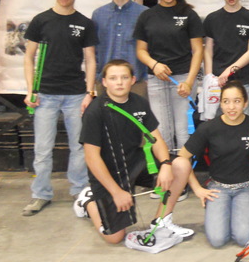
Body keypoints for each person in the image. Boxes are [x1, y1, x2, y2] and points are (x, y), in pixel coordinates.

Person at [77, 60, 193, 243]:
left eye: (124, 77)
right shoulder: (95, 111)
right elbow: (91, 158)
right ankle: (87, 201)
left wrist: (165, 164)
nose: (119, 82)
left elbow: (156, 139)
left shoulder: (139, 102)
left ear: (132, 80)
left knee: (181, 164)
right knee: (115, 237)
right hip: (109, 172)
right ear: (104, 82)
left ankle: (162, 220)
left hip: (135, 162)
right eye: (113, 78)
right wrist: (116, 192)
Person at [22, 0, 98, 217]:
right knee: (43, 148)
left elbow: (90, 59)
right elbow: (28, 57)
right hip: (45, 95)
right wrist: (30, 90)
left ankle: (79, 191)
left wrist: (89, 92)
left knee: (79, 146)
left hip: (76, 94)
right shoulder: (41, 20)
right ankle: (40, 194)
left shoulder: (85, 23)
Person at [178, 80, 249, 248]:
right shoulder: (209, 128)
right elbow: (182, 158)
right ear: (220, 103)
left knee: (243, 237)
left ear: (245, 103)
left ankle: (239, 214)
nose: (231, 107)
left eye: (237, 101)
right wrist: (197, 189)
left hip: (246, 188)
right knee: (217, 240)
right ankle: (222, 210)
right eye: (226, 101)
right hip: (218, 189)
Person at [133, 0, 204, 154]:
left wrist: (189, 82)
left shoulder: (189, 14)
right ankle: (167, 174)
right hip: (156, 80)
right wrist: (154, 64)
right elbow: (140, 51)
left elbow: (198, 51)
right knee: (161, 132)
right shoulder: (147, 16)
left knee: (183, 132)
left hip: (182, 80)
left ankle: (184, 175)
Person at [203, 0, 249, 117]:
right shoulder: (212, 19)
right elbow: (208, 49)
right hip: (217, 84)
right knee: (216, 125)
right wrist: (210, 77)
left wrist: (229, 71)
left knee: (243, 124)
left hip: (241, 81)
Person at [92, 0, 148, 97]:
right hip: (105, 82)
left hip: (136, 82)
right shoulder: (98, 15)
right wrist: (97, 77)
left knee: (134, 118)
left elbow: (150, 48)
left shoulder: (144, 14)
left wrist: (145, 78)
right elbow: (93, 50)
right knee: (107, 118)